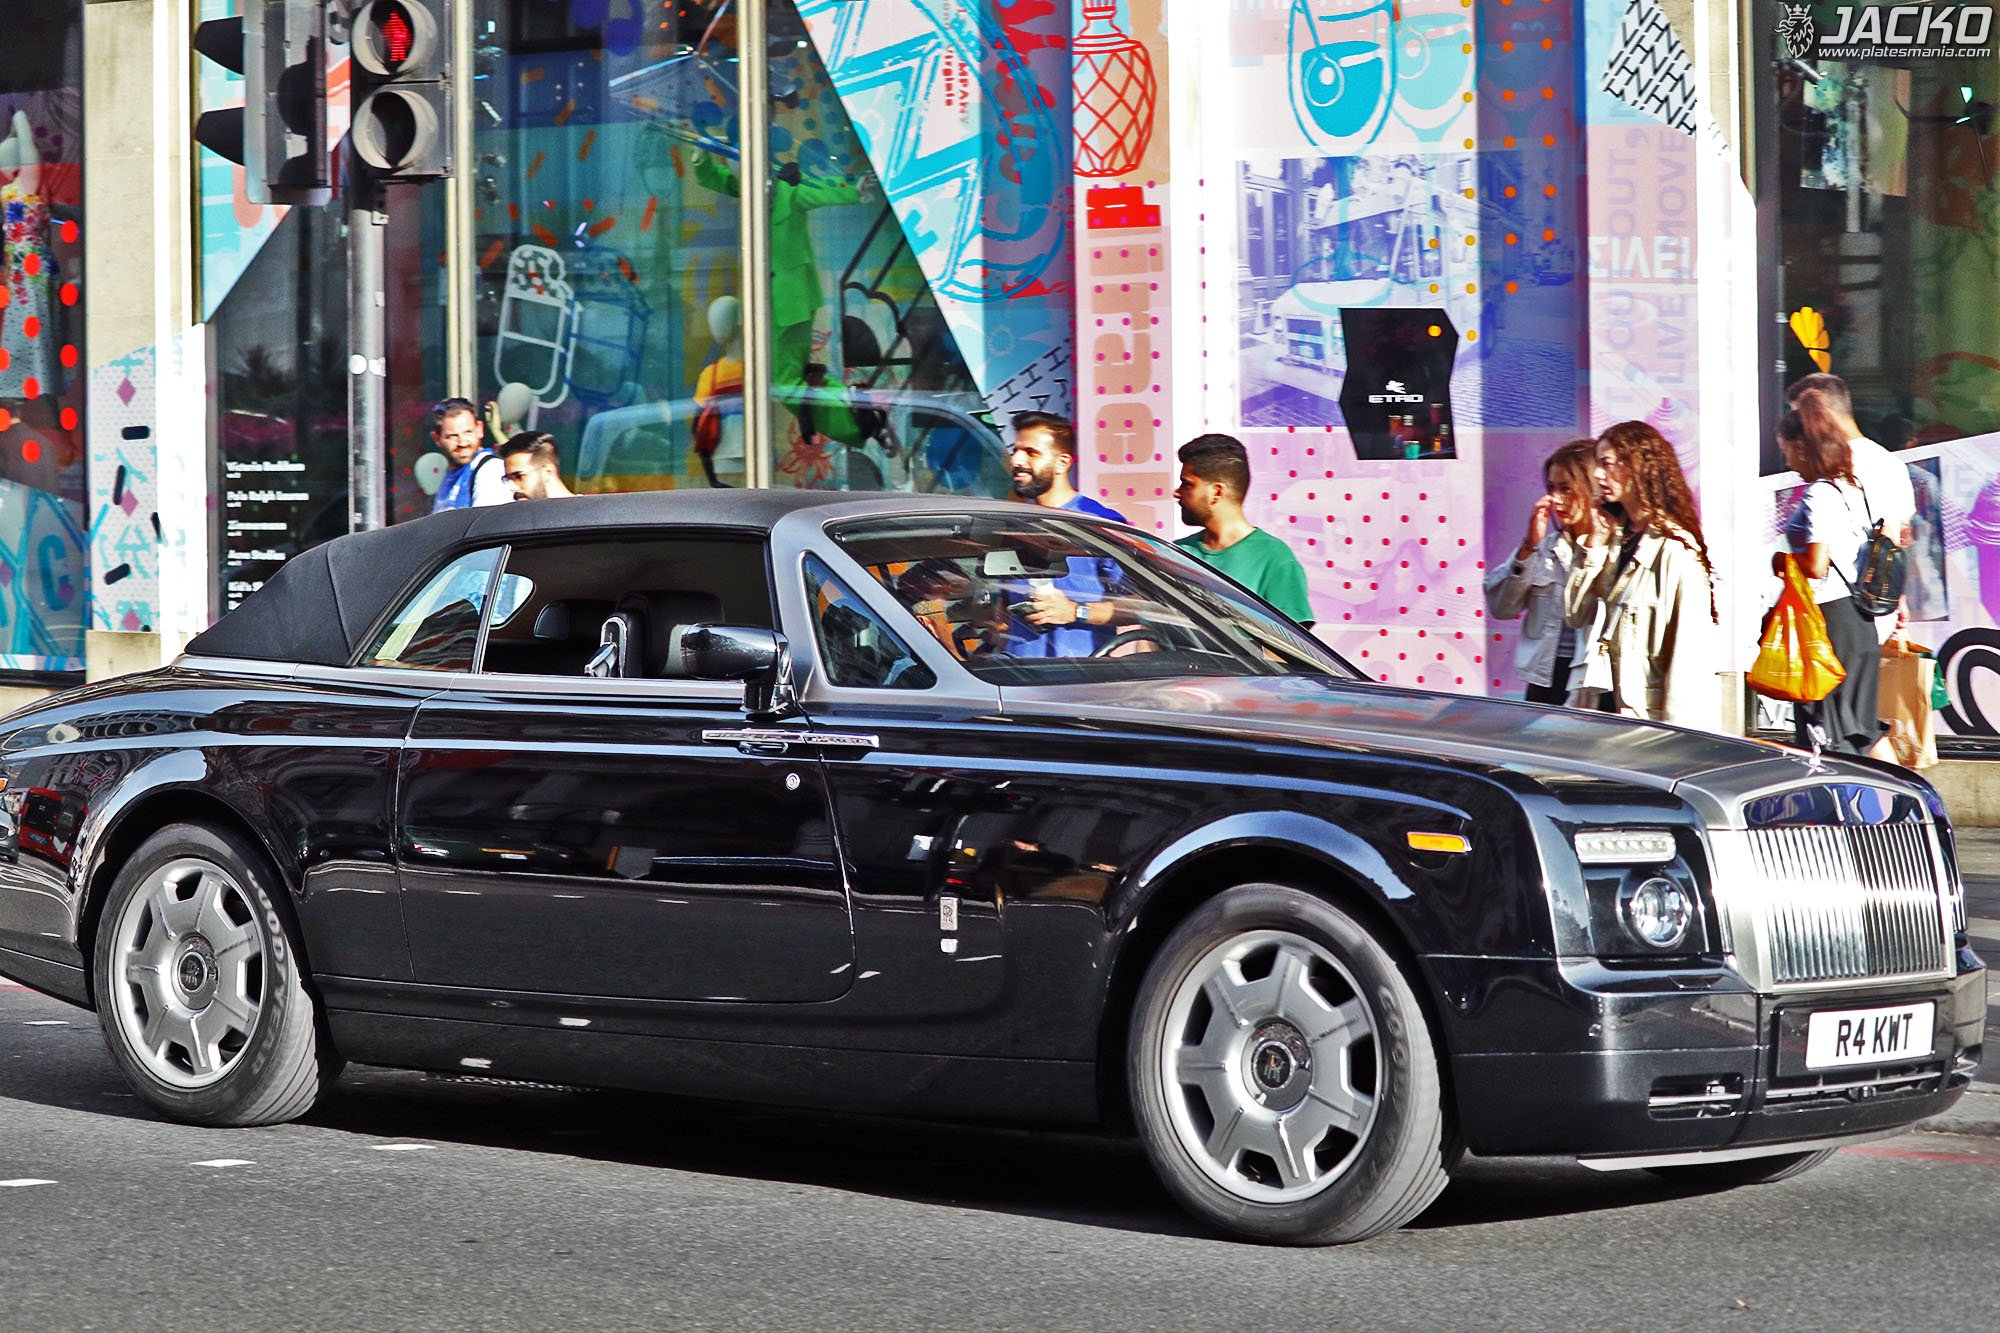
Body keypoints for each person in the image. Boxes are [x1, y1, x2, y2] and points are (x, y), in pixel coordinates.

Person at [1564, 421, 1721, 730]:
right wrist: (1593, 546)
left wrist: (1679, 737)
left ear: (1637, 467)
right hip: (1601, 710)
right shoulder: (1612, 539)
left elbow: (1687, 656)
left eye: (1607, 464)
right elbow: (1574, 613)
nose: (1597, 475)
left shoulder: (1675, 551)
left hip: (1646, 722)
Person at [1774, 391, 1881, 756]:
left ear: (1803, 448)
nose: (1787, 463)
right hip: (1857, 621)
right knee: (1856, 731)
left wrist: (1783, 563)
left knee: (1827, 732)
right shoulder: (1852, 487)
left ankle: (1835, 811)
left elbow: (1817, 564)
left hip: (1829, 621)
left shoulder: (1820, 494)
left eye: (1786, 451)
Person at [1485, 440, 1602, 704]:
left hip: (1596, 680)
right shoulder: (1545, 548)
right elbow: (1502, 607)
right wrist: (1528, 547)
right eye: (1551, 488)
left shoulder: (1615, 549)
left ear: (1592, 490)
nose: (1555, 499)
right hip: (1546, 678)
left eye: (1566, 489)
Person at [1171, 433, 1313, 626]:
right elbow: (1146, 616)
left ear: (1216, 492)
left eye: (1187, 484)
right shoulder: (1175, 554)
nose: (1176, 492)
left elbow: (1290, 648)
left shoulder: (1275, 560)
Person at [1009, 412, 1125, 520]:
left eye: (1031, 452)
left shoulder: (1098, 521)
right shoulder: (1015, 519)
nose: (1016, 460)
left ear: (1062, 463)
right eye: (1015, 452)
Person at [430, 397, 512, 512]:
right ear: (437, 438)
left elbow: (485, 526)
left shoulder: (490, 470)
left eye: (468, 432)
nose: (462, 443)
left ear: (479, 429)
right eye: (452, 436)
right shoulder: (451, 474)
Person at [502, 431, 575, 500]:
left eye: (518, 477)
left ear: (548, 471)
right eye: (507, 479)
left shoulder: (584, 510)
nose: (512, 488)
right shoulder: (517, 512)